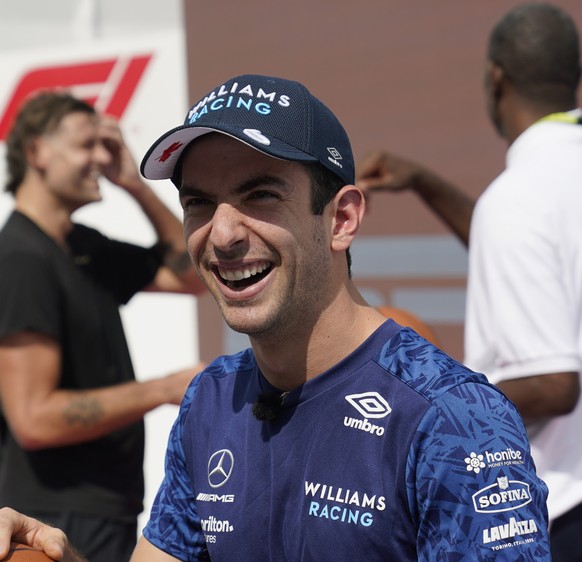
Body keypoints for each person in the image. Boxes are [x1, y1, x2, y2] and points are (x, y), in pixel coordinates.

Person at [0, 74, 551, 561]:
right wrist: (56, 555)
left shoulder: (456, 419)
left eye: (260, 195)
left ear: (341, 219)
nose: (224, 234)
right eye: (198, 203)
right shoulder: (211, 399)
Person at [356, 4, 582, 560]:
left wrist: (423, 414)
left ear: (494, 76)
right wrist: (428, 185)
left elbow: (553, 384)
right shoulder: (533, 196)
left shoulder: (520, 197)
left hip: (558, 505)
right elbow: (530, 248)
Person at [0, 91, 207, 562]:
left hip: (102, 512)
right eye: (85, 145)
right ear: (36, 153)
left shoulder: (83, 246)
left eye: (106, 144)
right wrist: (164, 388)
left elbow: (194, 274)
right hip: (53, 518)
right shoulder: (20, 260)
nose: (101, 157)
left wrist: (134, 184)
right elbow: (33, 418)